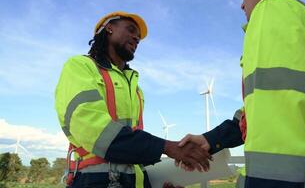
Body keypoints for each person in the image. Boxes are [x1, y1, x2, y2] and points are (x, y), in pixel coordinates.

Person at [178, 0, 305, 187]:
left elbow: (278, 120)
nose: (242, 4)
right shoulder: (301, 17)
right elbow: (260, 112)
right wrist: (210, 139)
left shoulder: (272, 9)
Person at [55, 11, 211, 188]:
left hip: (135, 180)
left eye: (138, 37)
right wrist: (168, 147)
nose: (136, 38)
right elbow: (94, 130)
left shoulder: (136, 88)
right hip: (94, 180)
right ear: (109, 28)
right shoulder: (80, 67)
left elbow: (134, 140)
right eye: (130, 30)